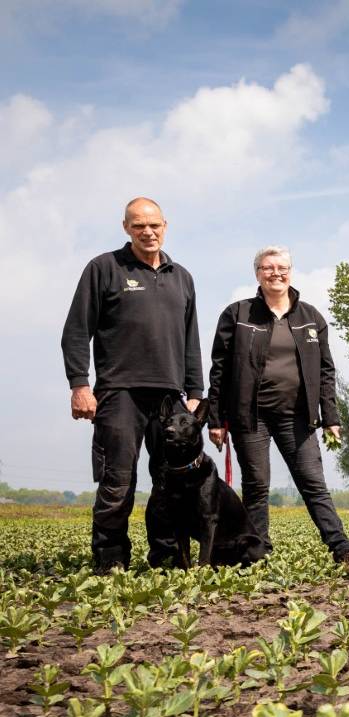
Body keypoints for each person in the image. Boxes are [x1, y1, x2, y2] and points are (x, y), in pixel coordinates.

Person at [61, 197, 203, 574]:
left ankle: (167, 558)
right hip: (119, 392)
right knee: (118, 482)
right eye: (139, 225)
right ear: (126, 228)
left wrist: (194, 394)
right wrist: (80, 384)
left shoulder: (182, 276)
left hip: (170, 397)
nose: (148, 232)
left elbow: (191, 341)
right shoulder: (104, 268)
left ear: (165, 226)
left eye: (154, 225)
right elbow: (76, 331)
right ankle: (111, 561)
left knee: (169, 482)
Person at [206, 246, 349, 579]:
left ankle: (343, 552)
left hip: (298, 417)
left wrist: (330, 416)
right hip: (251, 417)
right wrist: (216, 419)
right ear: (257, 274)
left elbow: (325, 371)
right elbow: (219, 370)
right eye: (268, 268)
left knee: (313, 484)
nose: (275, 273)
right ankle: (257, 554)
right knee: (257, 485)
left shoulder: (311, 318)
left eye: (282, 268)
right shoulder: (238, 314)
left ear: (291, 272)